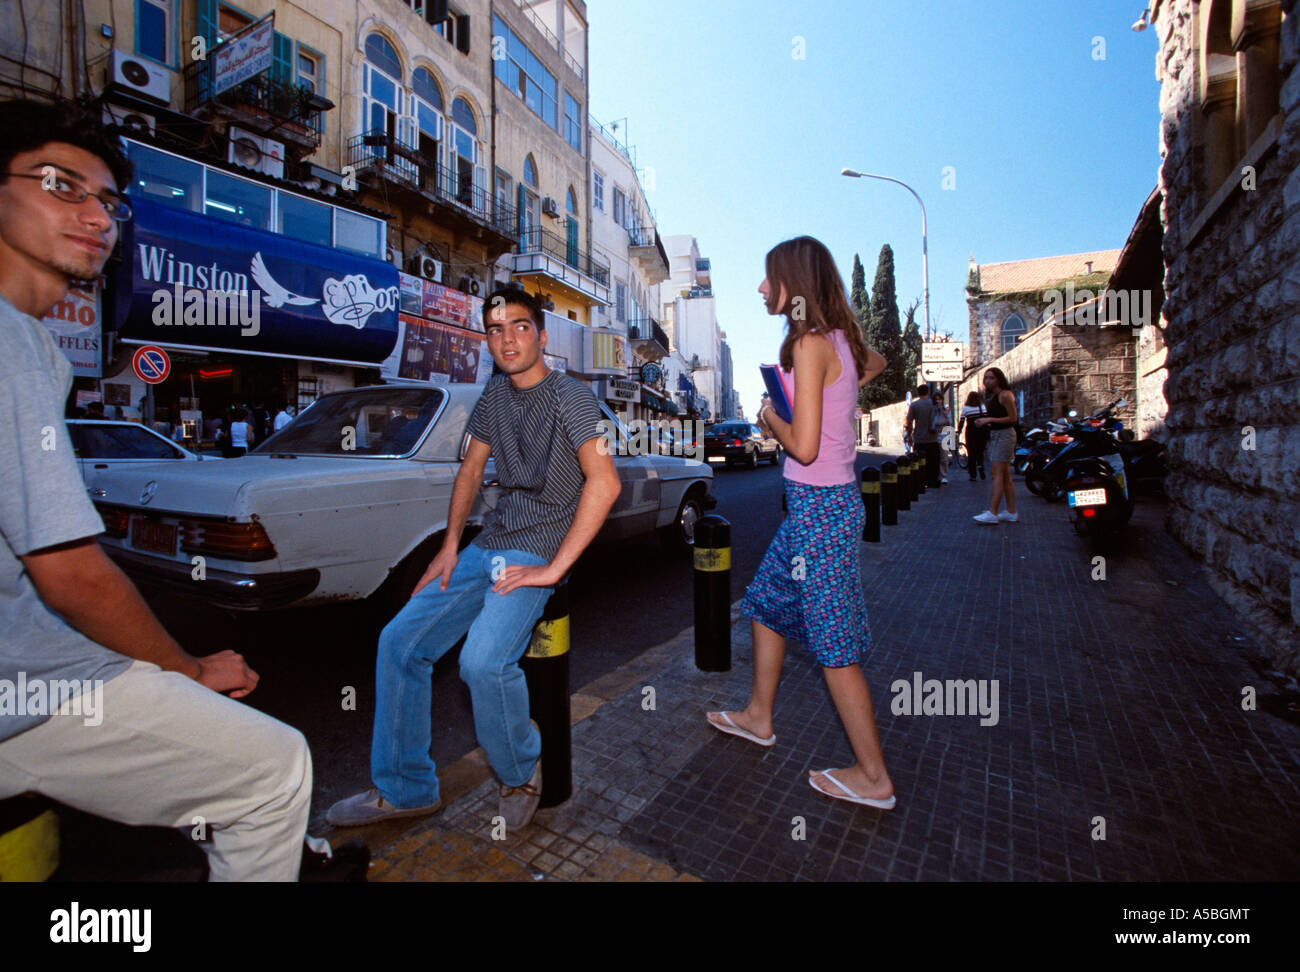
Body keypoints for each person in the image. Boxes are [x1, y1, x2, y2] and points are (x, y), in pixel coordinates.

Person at [0, 97, 327, 880]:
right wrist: (182, 668)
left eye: (109, 201)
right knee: (272, 770)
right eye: (59, 184)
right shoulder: (12, 339)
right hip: (20, 699)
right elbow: (70, 573)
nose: (95, 216)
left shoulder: (36, 344)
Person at [327, 286, 621, 831]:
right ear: (487, 340)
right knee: (398, 643)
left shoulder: (573, 398)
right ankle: (406, 788)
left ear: (541, 334)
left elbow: (604, 483)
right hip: (487, 545)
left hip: (538, 550)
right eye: (495, 329)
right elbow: (469, 471)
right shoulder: (493, 396)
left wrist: (555, 569)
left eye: (520, 326)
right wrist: (447, 546)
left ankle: (518, 771)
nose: (508, 339)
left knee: (482, 663)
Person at [705, 236, 895, 810]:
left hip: (821, 511)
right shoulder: (835, 339)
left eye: (769, 278)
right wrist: (839, 395)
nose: (762, 288)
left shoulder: (811, 344)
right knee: (765, 603)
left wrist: (769, 415)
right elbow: (875, 363)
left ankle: (873, 777)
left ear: (793, 284)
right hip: (818, 511)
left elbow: (805, 448)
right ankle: (760, 716)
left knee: (834, 646)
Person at [972, 367, 1019, 523]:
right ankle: (1011, 511)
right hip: (998, 435)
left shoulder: (1005, 395)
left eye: (991, 378)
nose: (988, 381)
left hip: (1004, 435)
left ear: (999, 379)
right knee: (1004, 475)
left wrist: (988, 420)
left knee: (997, 473)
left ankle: (993, 512)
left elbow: (1013, 418)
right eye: (986, 378)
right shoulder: (993, 396)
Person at [905, 383, 941, 488]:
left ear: (918, 393)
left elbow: (909, 421)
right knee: (934, 462)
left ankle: (921, 481)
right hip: (933, 437)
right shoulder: (934, 404)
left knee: (920, 463)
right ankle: (933, 481)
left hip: (919, 438)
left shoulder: (914, 405)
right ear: (928, 392)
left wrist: (909, 436)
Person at [957, 390, 988, 482]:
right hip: (981, 432)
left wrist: (959, 431)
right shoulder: (982, 407)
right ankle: (981, 468)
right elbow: (986, 418)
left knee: (971, 453)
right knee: (980, 452)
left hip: (971, 432)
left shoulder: (966, 409)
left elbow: (962, 421)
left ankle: (973, 474)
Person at [931, 390, 952, 485]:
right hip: (934, 433)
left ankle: (944, 476)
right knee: (935, 456)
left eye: (939, 399)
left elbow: (949, 422)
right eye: (936, 400)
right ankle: (936, 475)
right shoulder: (932, 410)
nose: (938, 401)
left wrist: (945, 413)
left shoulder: (946, 409)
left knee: (944, 457)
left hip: (944, 433)